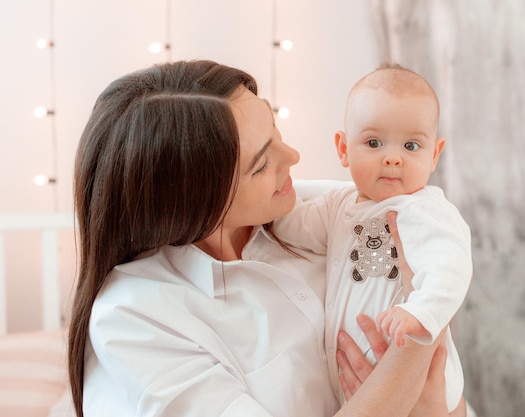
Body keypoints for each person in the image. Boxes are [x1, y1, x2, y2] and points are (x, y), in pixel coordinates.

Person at [67, 60, 459, 417]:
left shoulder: (333, 208)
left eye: (276, 133)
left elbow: (448, 392)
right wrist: (409, 363)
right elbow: (426, 338)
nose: (292, 156)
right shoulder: (136, 315)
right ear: (196, 201)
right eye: (260, 164)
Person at [273, 64, 473, 413]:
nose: (393, 157)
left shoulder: (423, 210)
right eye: (374, 142)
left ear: (434, 155)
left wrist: (419, 313)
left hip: (416, 375)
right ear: (343, 148)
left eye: (411, 145)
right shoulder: (338, 206)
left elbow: (450, 267)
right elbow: (293, 224)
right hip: (360, 386)